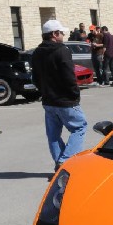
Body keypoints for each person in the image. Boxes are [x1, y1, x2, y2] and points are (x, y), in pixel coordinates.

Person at [31, 19, 87, 171]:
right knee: (80, 127)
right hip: (66, 100)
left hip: (48, 101)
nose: (63, 35)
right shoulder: (62, 50)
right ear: (54, 34)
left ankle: (60, 162)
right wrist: (75, 94)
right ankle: (65, 161)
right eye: (61, 33)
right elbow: (69, 76)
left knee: (53, 134)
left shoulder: (37, 52)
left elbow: (35, 78)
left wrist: (44, 91)